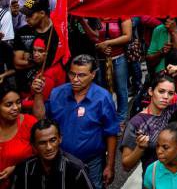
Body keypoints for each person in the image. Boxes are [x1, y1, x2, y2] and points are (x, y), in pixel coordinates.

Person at [30, 54, 118, 189]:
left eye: (81, 75)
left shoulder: (103, 98)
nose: (75, 79)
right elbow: (40, 119)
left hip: (92, 162)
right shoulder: (57, 93)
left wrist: (110, 166)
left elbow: (111, 133)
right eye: (72, 74)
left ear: (93, 74)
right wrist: (38, 94)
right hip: (60, 162)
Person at [121, 67, 177, 173]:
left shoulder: (173, 109)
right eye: (161, 91)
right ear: (150, 91)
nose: (166, 97)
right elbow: (126, 165)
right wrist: (140, 148)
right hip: (154, 179)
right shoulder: (137, 123)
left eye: (170, 93)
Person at [9, 119, 94, 189]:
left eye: (52, 140)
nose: (49, 147)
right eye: (42, 143)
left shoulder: (76, 169)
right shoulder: (24, 169)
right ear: (34, 145)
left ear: (60, 139)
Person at [0, 79, 37, 189]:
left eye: (18, 102)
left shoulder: (29, 123)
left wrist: (16, 168)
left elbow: (43, 155)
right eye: (9, 104)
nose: (16, 108)